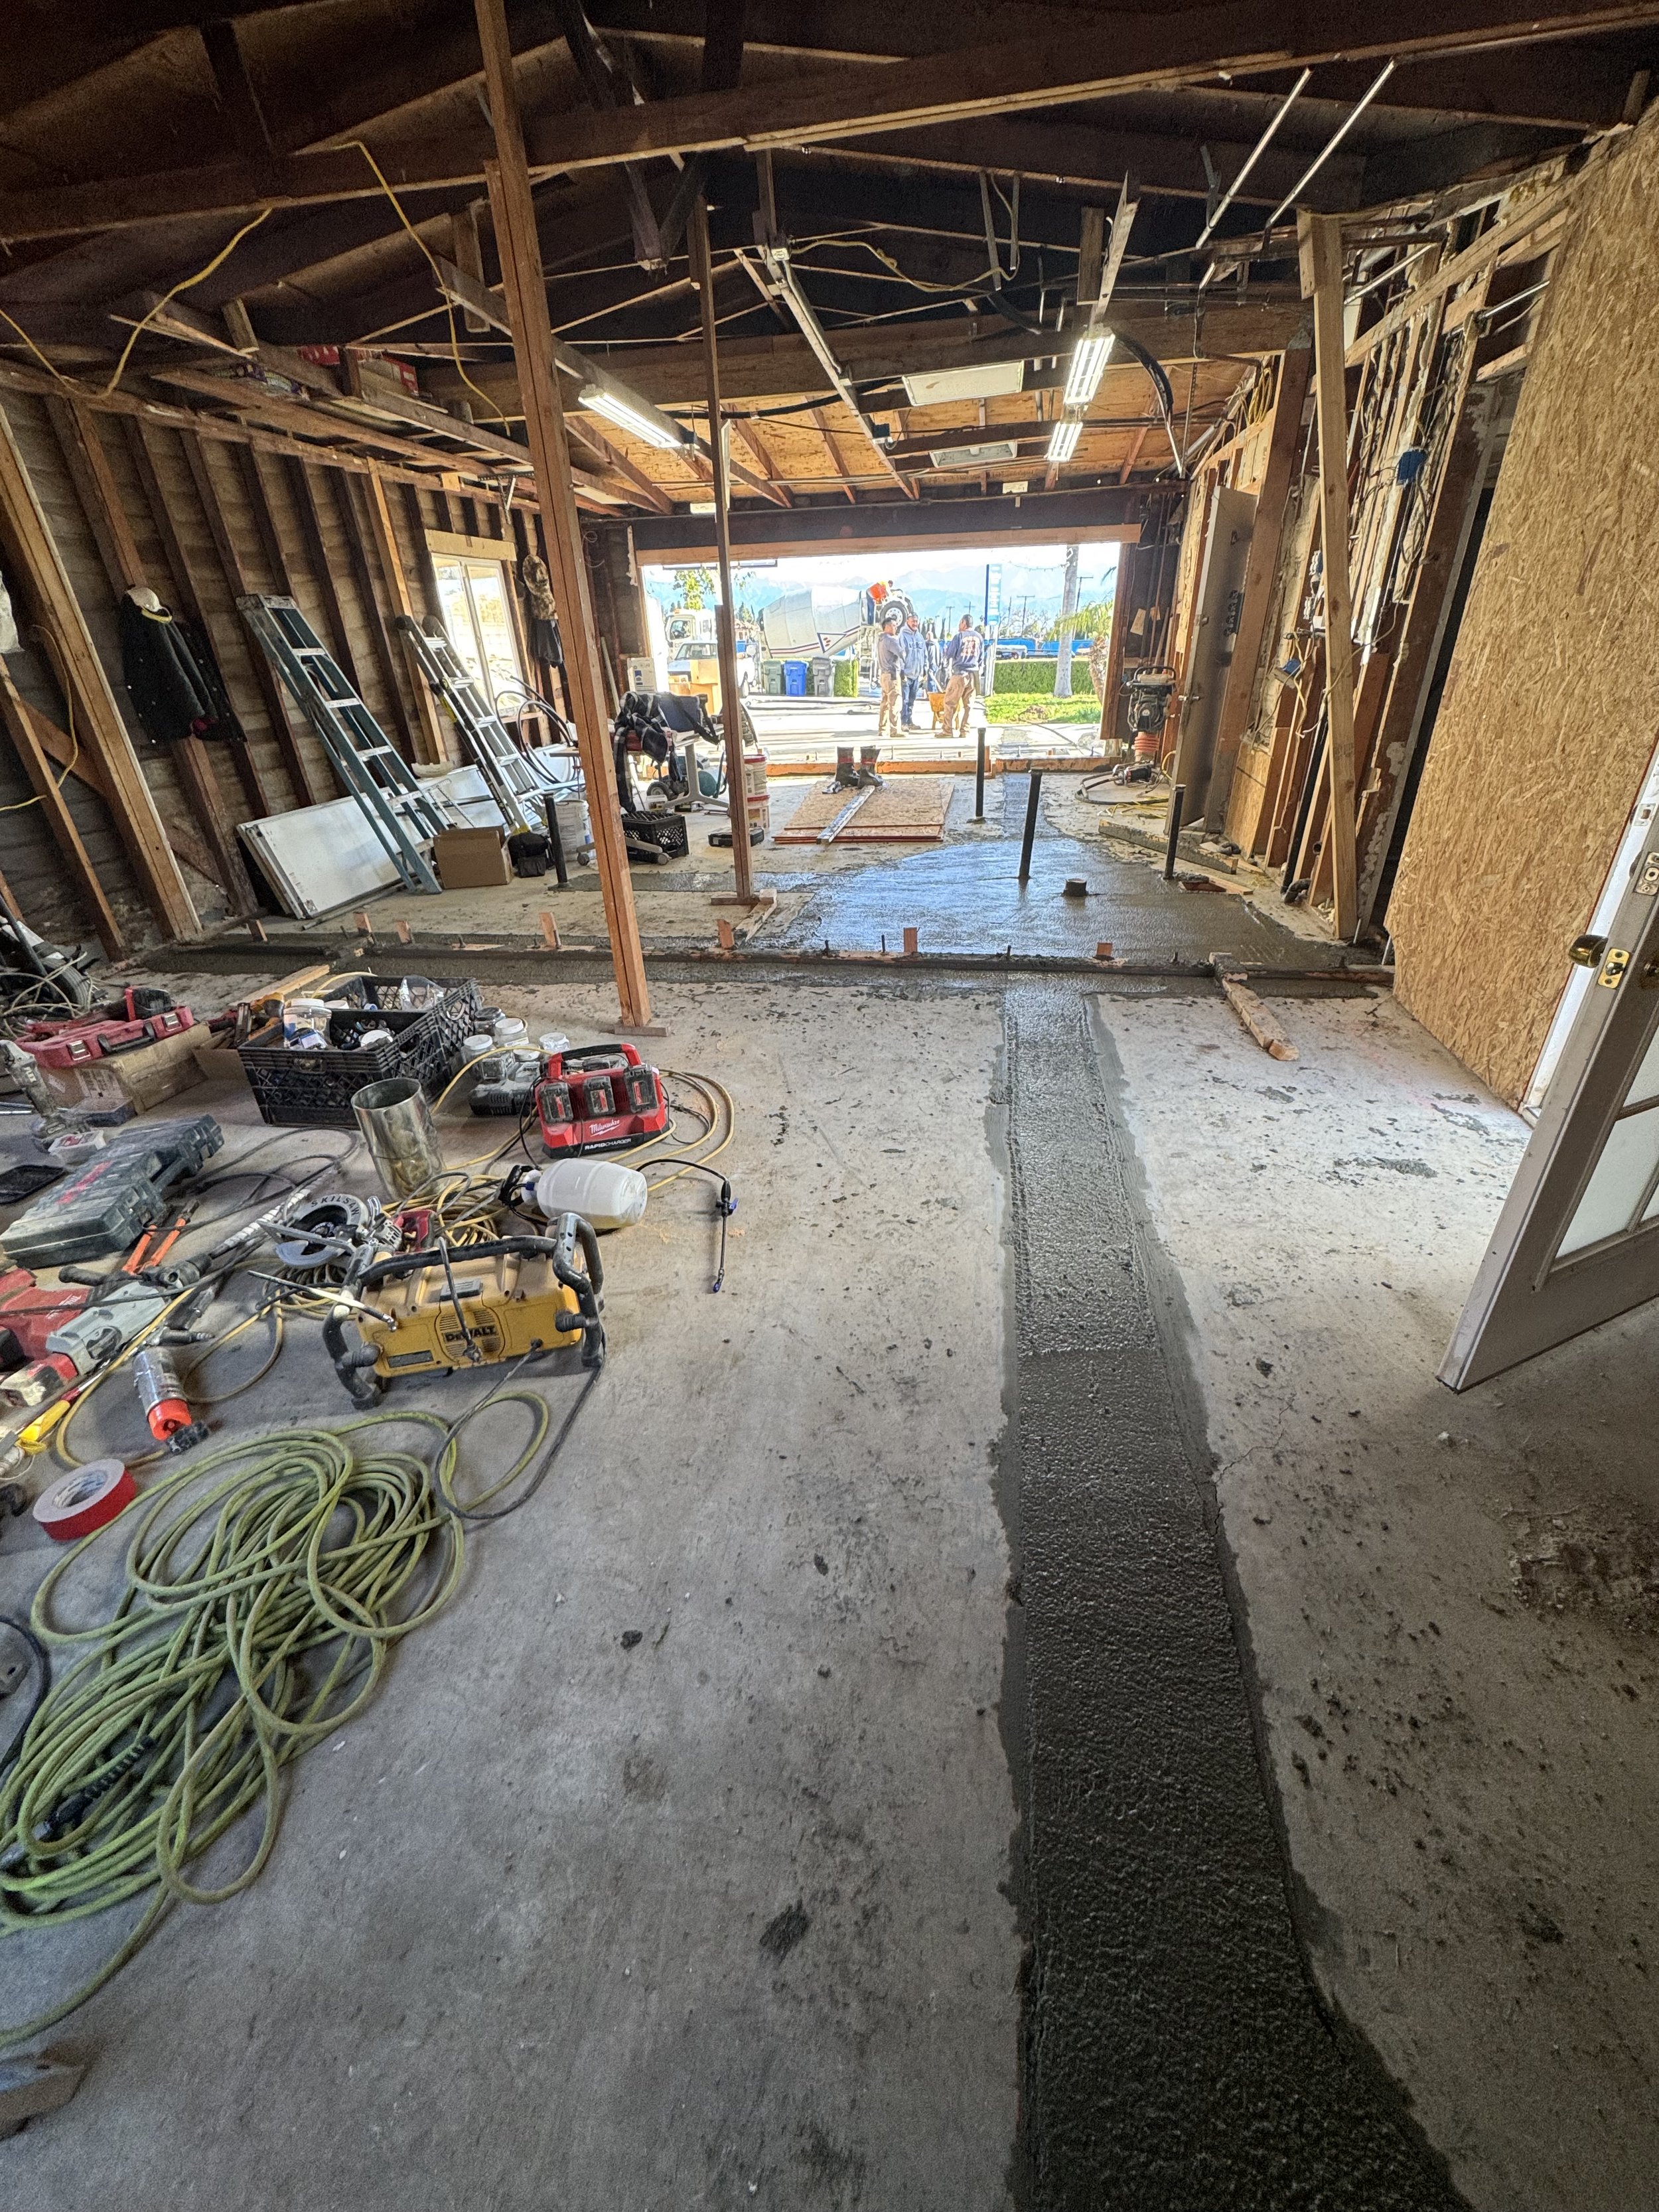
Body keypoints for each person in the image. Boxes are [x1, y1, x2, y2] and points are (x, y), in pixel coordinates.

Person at [942, 615, 983, 740]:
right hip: (973, 674)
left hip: (959, 673)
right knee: (968, 705)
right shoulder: (979, 638)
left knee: (950, 703)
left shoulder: (959, 637)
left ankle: (947, 730)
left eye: (960, 622)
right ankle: (965, 730)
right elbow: (981, 658)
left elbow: (950, 654)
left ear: (964, 623)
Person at [875, 613, 903, 741]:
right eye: (894, 625)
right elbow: (902, 653)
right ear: (887, 626)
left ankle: (882, 729)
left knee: (885, 703)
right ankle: (895, 729)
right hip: (892, 674)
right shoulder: (891, 640)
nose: (896, 628)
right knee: (895, 702)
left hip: (884, 674)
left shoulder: (880, 640)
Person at [899, 610, 926, 729]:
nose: (915, 623)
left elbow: (924, 654)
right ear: (907, 622)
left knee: (912, 700)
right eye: (913, 621)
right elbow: (901, 654)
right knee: (905, 700)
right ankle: (904, 723)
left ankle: (910, 721)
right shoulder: (903, 636)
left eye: (916, 621)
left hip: (916, 675)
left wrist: (925, 669)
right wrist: (902, 671)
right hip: (906, 674)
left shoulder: (920, 637)